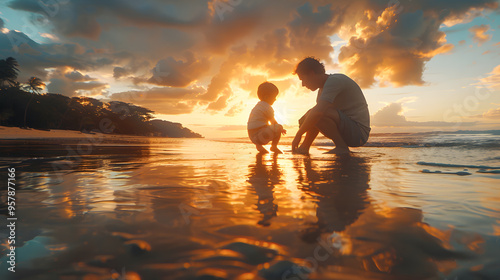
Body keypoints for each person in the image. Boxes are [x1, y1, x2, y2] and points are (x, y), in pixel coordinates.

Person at [291, 57, 370, 155]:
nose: (303, 84)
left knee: (316, 113)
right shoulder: (322, 90)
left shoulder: (334, 81)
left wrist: (298, 135)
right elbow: (314, 117)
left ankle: (341, 147)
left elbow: (318, 113)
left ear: (311, 73)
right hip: (348, 130)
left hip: (358, 134)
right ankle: (304, 147)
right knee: (311, 115)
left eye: (303, 79)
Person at [247, 82, 286, 153]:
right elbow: (273, 122)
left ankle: (259, 146)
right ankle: (274, 146)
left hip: (252, 137)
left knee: (264, 126)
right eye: (274, 97)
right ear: (267, 97)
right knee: (278, 126)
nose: (275, 99)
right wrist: (281, 129)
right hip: (260, 136)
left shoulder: (258, 106)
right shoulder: (267, 107)